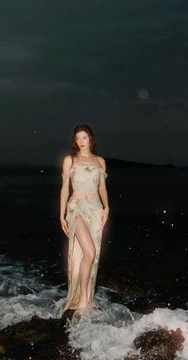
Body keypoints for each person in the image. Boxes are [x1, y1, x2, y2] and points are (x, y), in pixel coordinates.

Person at [60, 124, 109, 316]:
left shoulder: (100, 161)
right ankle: (81, 300)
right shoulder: (70, 160)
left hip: (96, 210)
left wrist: (107, 207)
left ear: (91, 139)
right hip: (76, 209)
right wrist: (62, 214)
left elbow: (102, 188)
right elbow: (64, 188)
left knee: (92, 257)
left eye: (84, 137)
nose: (81, 141)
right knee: (89, 252)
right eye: (78, 138)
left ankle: (87, 297)